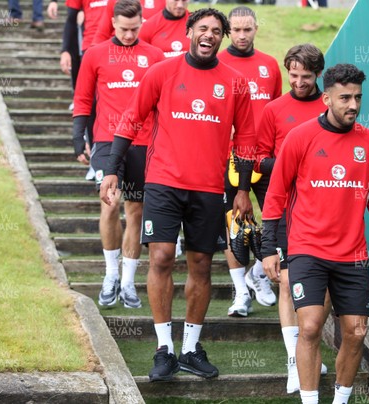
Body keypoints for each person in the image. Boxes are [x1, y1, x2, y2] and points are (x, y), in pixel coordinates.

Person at [99, 8, 256, 381]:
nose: (210, 35)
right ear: (189, 32)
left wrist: (244, 190)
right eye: (203, 28)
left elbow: (247, 139)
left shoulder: (235, 83)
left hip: (208, 187)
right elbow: (130, 119)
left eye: (217, 31)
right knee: (162, 257)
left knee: (202, 264)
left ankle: (190, 348)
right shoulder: (162, 72)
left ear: (223, 38)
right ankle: (164, 348)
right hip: (164, 182)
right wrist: (111, 170)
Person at [261, 63, 369, 404]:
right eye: (344, 98)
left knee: (356, 333)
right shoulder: (300, 137)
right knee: (310, 326)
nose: (353, 105)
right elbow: (276, 194)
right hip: (306, 249)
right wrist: (269, 246)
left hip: (353, 256)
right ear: (326, 98)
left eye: (357, 97)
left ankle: (340, 400)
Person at [72, 0, 165, 309]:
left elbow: (164, 104)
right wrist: (77, 137)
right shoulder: (95, 54)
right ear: (112, 24)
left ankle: (127, 282)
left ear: (142, 23)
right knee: (110, 204)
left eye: (135, 29)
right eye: (123, 29)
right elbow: (83, 98)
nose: (128, 35)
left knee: (136, 210)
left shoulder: (154, 56)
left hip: (143, 141)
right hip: (107, 140)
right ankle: (110, 275)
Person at [255, 43, 330, 394]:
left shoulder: (330, 106)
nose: (299, 82)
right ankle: (293, 360)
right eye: (294, 75)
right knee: (286, 282)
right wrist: (292, 164)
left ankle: (308, 349)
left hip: (328, 210)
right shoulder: (274, 109)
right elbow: (258, 159)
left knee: (321, 287)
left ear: (318, 75)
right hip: (287, 208)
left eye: (306, 76)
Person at [217, 6, 282, 317]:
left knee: (275, 221)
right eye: (237, 30)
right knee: (236, 225)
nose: (242, 35)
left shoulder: (270, 65)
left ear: (256, 28)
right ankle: (240, 292)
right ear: (229, 30)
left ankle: (258, 275)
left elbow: (279, 113)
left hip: (265, 159)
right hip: (231, 158)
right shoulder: (218, 63)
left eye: (248, 29)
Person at [92, 0, 165, 46]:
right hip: (116, 50)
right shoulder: (114, 1)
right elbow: (103, 32)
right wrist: (93, 54)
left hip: (147, 51)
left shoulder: (164, 2)